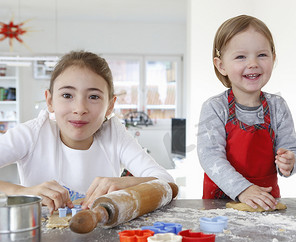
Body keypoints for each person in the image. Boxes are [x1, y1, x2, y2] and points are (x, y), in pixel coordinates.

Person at [0, 51, 174, 212]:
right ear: (50, 101)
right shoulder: (32, 134)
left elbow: (169, 184)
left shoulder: (114, 134)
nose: (79, 109)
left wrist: (128, 183)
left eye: (93, 97)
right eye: (67, 95)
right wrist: (26, 192)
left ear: (110, 106)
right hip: (38, 240)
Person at [197, 15, 296, 210]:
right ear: (221, 66)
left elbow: (293, 150)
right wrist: (243, 189)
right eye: (240, 57)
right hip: (220, 204)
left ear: (273, 58)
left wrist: (290, 162)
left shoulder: (278, 106)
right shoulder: (214, 107)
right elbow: (210, 157)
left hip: (265, 201)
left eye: (262, 55)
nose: (253, 63)